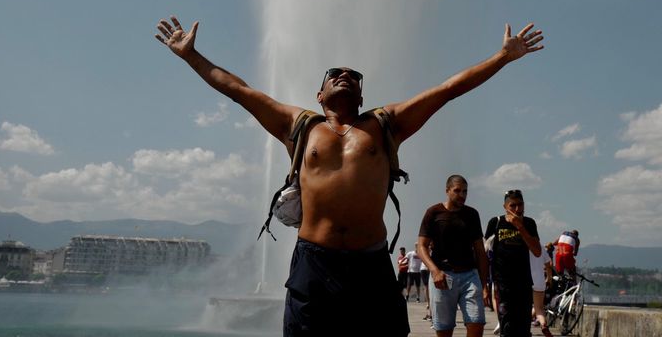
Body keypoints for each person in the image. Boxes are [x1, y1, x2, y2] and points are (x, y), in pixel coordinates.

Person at [155, 18, 545, 337]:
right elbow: (239, 90)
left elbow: (447, 91)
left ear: (360, 95)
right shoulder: (298, 124)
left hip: (369, 263)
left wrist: (501, 58)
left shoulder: (383, 124)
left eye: (353, 75)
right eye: (334, 74)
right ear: (319, 94)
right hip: (313, 261)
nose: (344, 75)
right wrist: (191, 55)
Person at [418, 175, 490, 337]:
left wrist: (484, 285)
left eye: (465, 191)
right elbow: (421, 247)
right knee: (444, 329)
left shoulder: (472, 214)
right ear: (447, 191)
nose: (462, 195)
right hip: (443, 277)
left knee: (477, 323)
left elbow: (480, 251)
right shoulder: (433, 212)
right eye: (457, 191)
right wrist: (434, 271)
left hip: (470, 276)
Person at [485, 190, 543, 337]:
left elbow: (537, 251)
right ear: (505, 206)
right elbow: (486, 254)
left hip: (523, 283)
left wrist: (520, 227)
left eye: (520, 205)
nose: (517, 209)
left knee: (523, 328)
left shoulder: (529, 223)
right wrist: (484, 286)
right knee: (507, 327)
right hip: (503, 284)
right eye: (513, 205)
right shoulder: (496, 222)